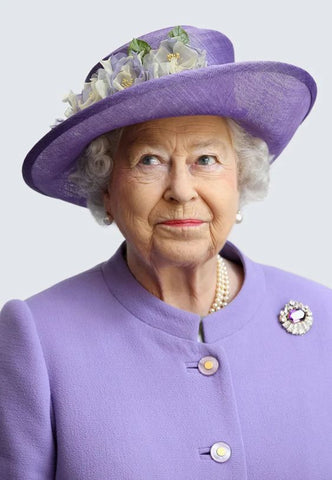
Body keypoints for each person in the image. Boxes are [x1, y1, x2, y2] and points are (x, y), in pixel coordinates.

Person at [0, 24, 331, 480]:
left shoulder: (326, 317)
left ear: (240, 178)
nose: (181, 190)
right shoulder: (36, 338)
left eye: (207, 160)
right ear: (108, 192)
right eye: (149, 160)